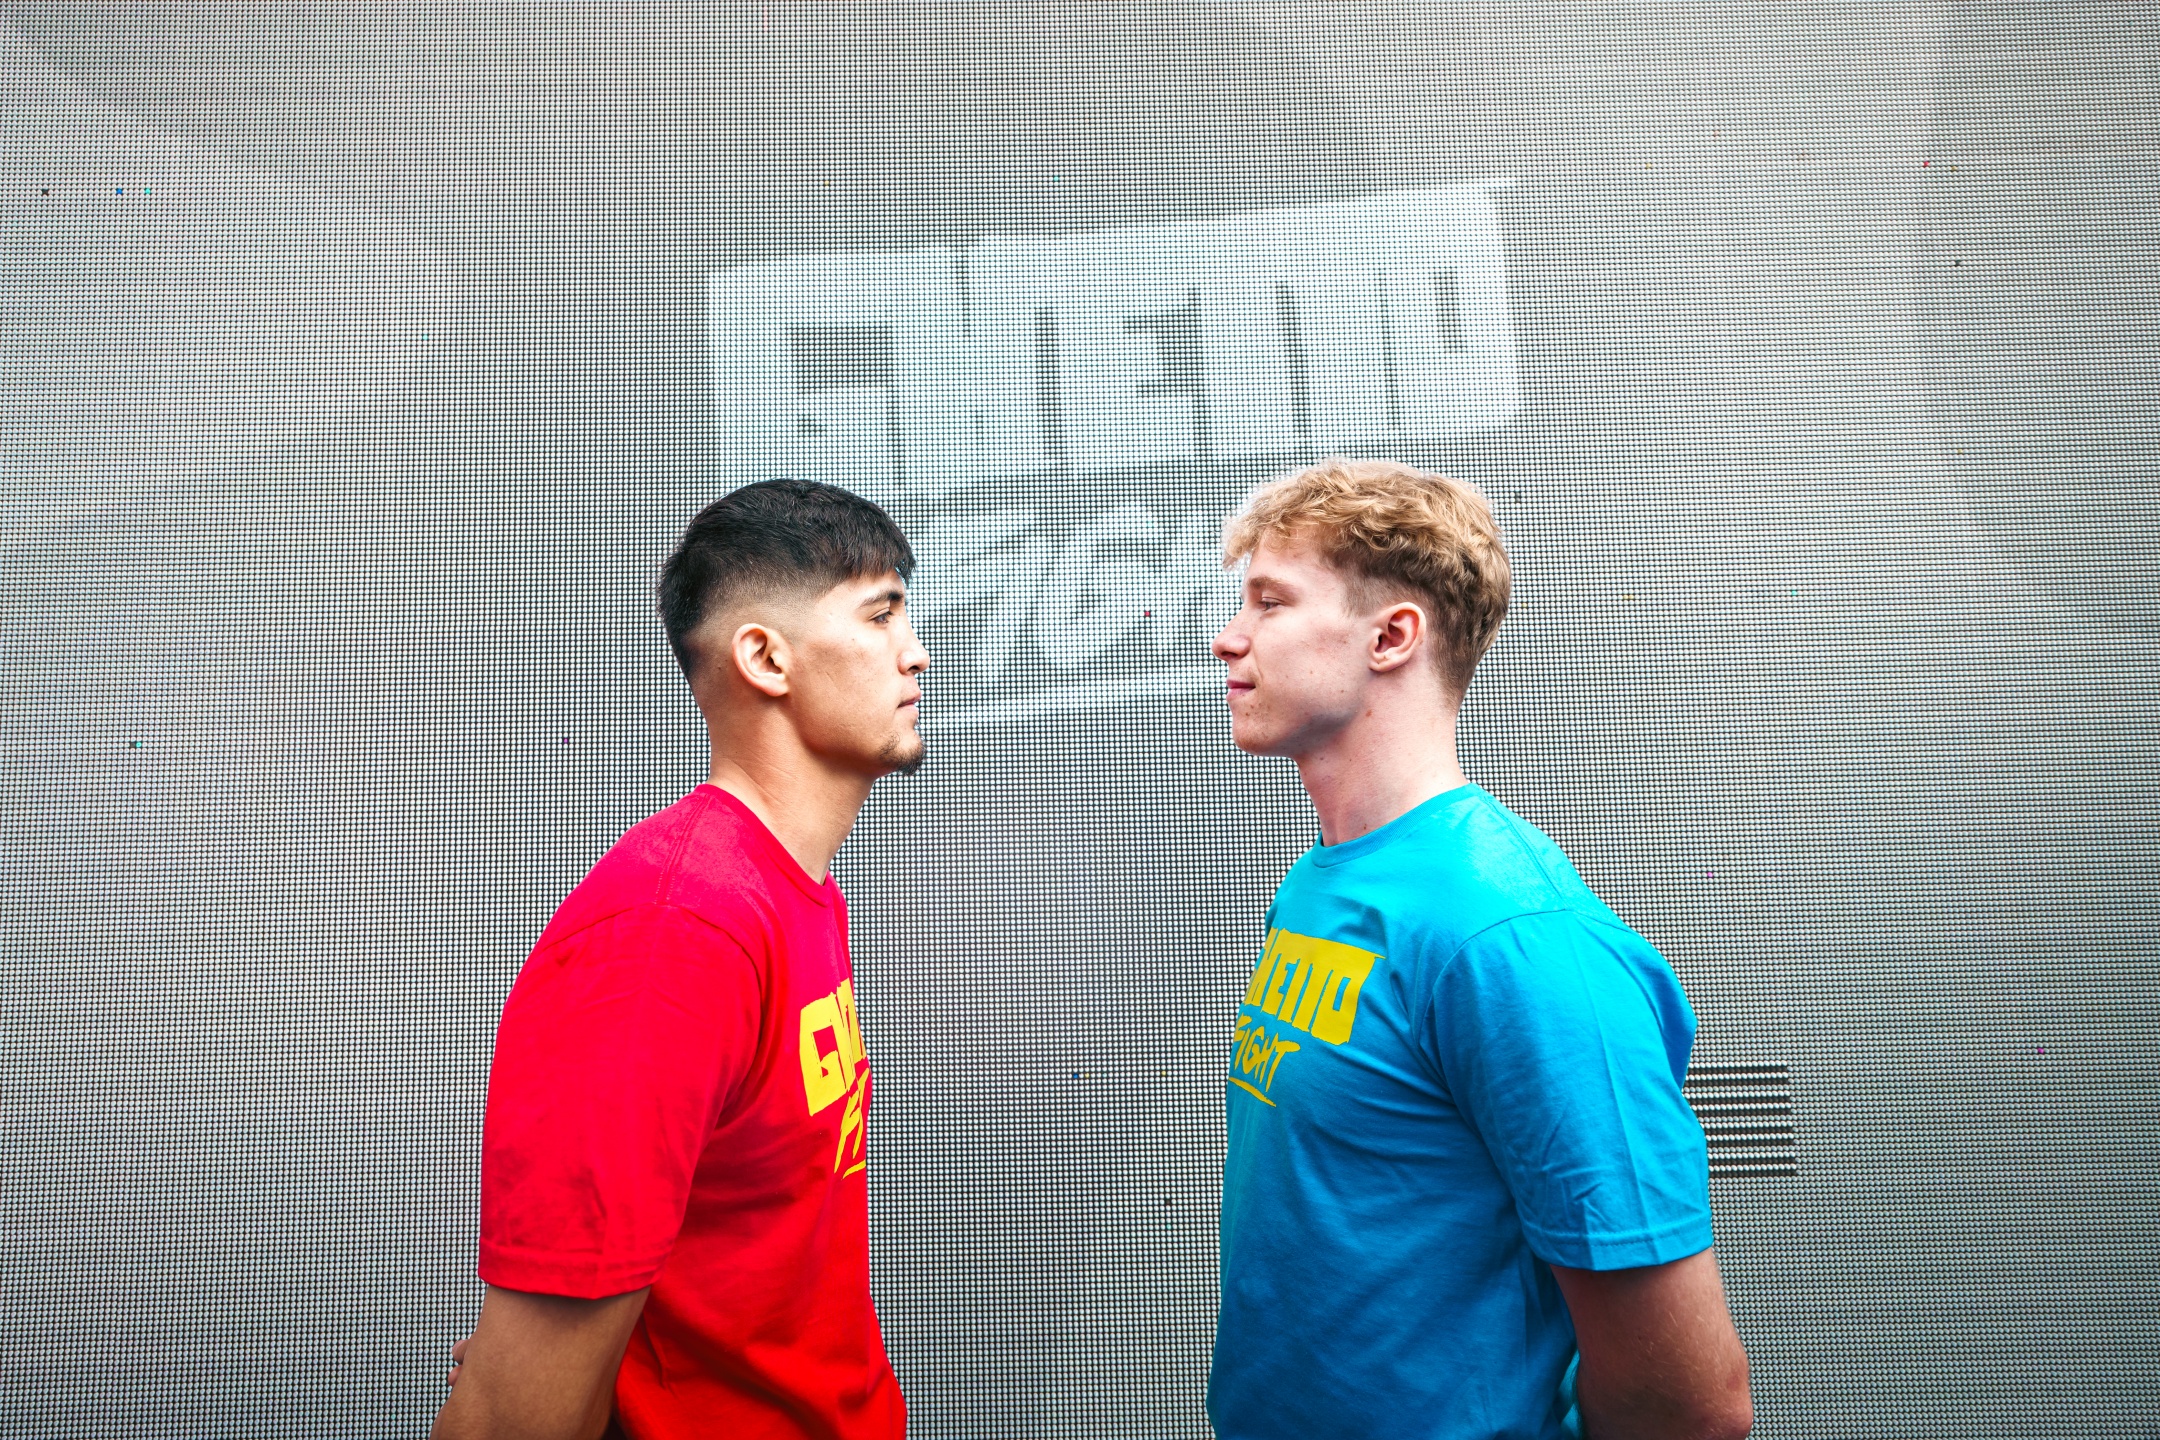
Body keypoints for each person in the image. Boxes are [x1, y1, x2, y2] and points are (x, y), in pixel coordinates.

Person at [1205, 458, 1753, 1440]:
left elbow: (1688, 1404)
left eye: (1271, 603)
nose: (1228, 637)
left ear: (1392, 637)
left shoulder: (1512, 936)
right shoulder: (1322, 882)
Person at [431, 479, 929, 1440]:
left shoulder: (787, 889)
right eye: (880, 615)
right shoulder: (675, 932)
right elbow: (511, 1413)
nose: (916, 652)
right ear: (766, 658)